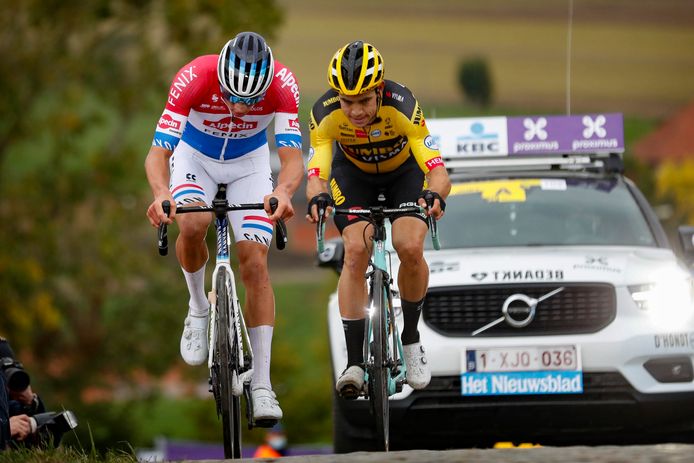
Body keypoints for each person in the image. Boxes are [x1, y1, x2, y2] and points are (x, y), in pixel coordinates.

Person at [144, 31, 303, 422]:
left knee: (255, 263)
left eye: (250, 102)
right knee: (194, 221)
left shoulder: (283, 85)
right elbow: (158, 153)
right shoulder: (194, 76)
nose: (238, 107)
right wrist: (162, 192)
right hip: (194, 158)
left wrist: (283, 190)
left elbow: (292, 157)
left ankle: (262, 385)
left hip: (249, 162)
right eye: (232, 97)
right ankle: (198, 307)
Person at [305, 41, 451, 398]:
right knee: (355, 252)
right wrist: (318, 198)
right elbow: (316, 174)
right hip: (353, 176)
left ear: (380, 92)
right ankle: (354, 362)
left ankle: (412, 339)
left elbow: (439, 172)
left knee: (409, 246)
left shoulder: (403, 106)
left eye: (364, 101)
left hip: (403, 175)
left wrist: (435, 195)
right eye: (347, 102)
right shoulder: (323, 113)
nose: (355, 111)